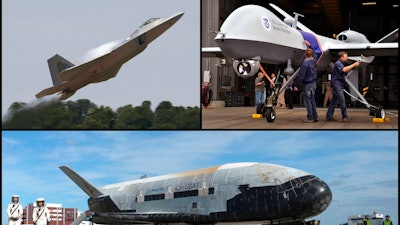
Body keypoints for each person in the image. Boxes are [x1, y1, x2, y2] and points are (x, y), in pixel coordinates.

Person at [326, 51, 360, 122]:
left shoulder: (341, 63)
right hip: (337, 84)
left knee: (333, 101)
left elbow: (347, 68)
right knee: (342, 100)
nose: (347, 58)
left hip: (338, 84)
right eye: (345, 57)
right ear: (341, 57)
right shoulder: (338, 63)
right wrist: (354, 65)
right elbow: (344, 69)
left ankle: (329, 116)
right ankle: (345, 116)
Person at [294, 47, 318, 122]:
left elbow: (301, 75)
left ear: (305, 54)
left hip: (307, 84)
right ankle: (315, 116)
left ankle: (310, 118)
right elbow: (316, 55)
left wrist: (296, 85)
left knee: (308, 101)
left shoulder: (304, 64)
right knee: (312, 100)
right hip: (313, 83)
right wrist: (310, 46)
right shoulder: (314, 61)